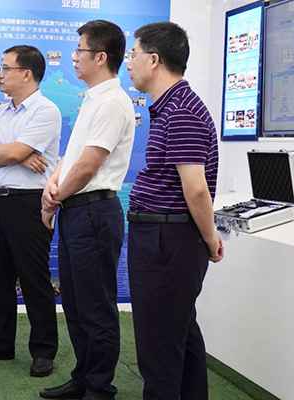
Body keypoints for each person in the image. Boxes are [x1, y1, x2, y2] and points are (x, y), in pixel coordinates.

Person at [125, 22, 224, 399]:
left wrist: (210, 238)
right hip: (165, 236)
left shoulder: (181, 110)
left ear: (154, 60)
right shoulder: (171, 107)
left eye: (133, 55)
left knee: (159, 348)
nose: (129, 64)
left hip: (169, 239)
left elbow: (196, 188)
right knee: (179, 334)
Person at [40, 20, 135, 400]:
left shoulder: (112, 102)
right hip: (76, 210)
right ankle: (82, 379)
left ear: (100, 57)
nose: (74, 57)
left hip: (94, 212)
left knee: (96, 308)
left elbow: (89, 165)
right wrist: (54, 185)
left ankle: (99, 388)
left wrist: (55, 197)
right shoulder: (92, 98)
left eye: (80, 50)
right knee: (77, 305)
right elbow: (71, 157)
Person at [0, 45, 61, 377]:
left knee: (34, 278)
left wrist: (11, 153)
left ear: (27, 74)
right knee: (0, 276)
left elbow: (3, 153)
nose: (0, 74)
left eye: (6, 68)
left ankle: (43, 350)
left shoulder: (46, 111)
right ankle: (2, 343)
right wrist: (18, 155)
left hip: (30, 204)